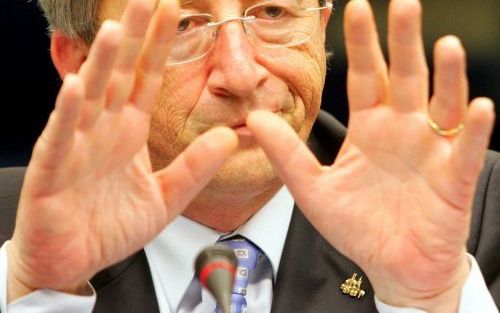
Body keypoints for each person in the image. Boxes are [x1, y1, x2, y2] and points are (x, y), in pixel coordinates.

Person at [0, 0, 499, 312]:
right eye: (182, 25)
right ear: (84, 65)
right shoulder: (15, 237)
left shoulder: (479, 214)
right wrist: (39, 292)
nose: (240, 74)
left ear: (322, 25)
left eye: (272, 13)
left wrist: (427, 302)